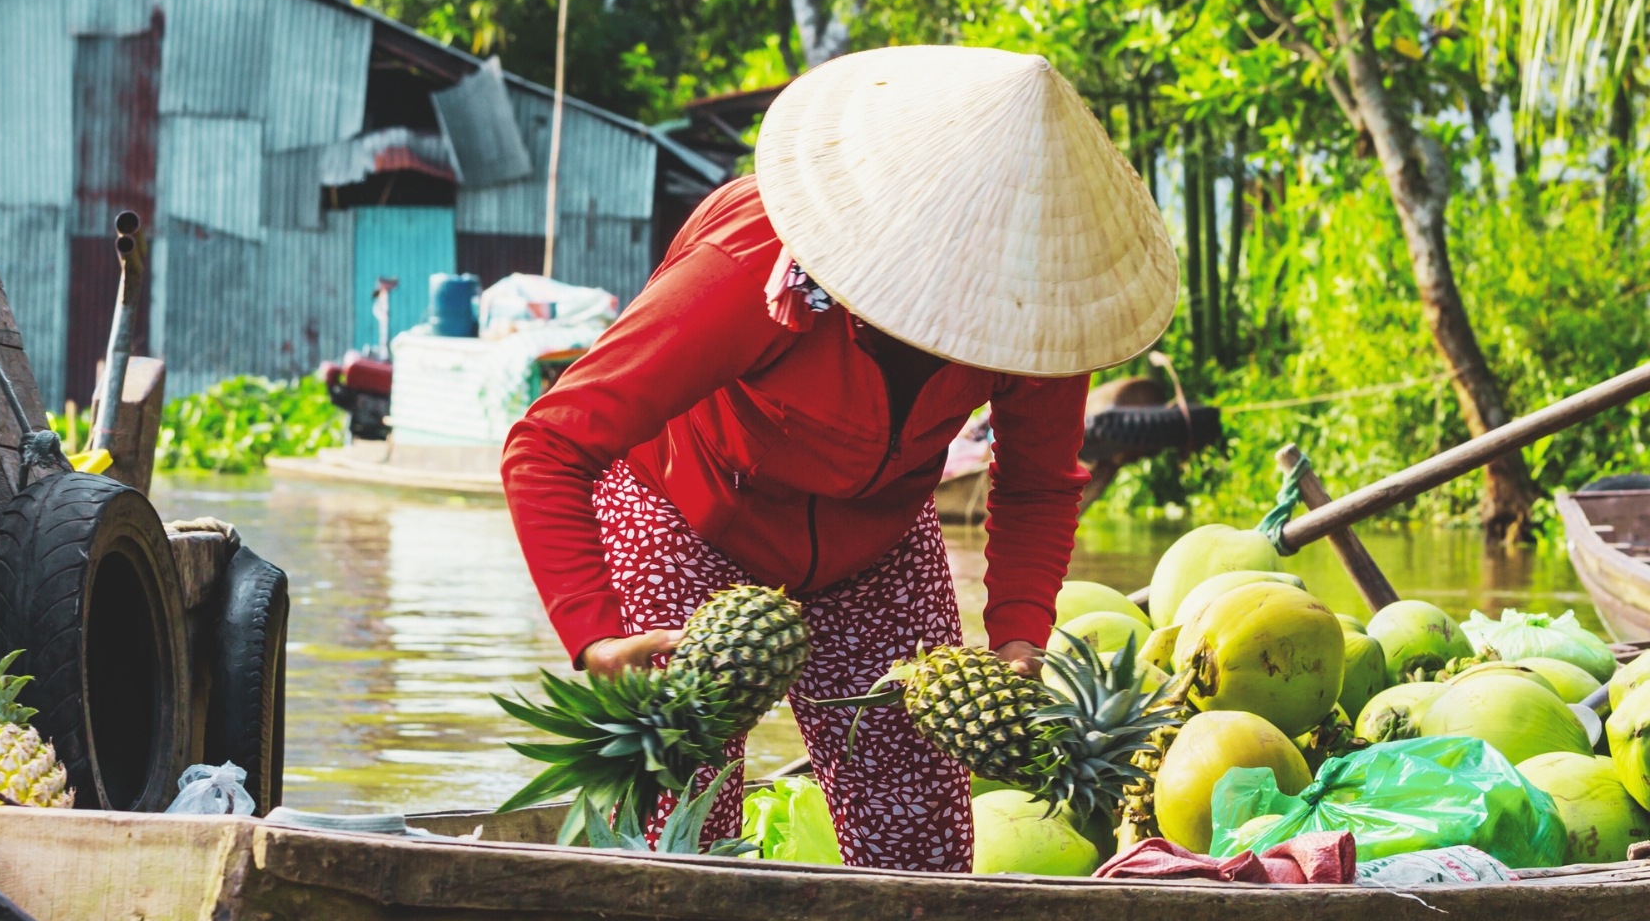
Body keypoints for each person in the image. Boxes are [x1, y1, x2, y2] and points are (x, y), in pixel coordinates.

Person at [500, 45, 1178, 870]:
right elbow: (549, 443)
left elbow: (1036, 485)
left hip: (878, 537)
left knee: (918, 831)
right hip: (687, 509)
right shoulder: (748, 268)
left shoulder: (1037, 315)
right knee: (685, 811)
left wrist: (1019, 637)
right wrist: (595, 636)